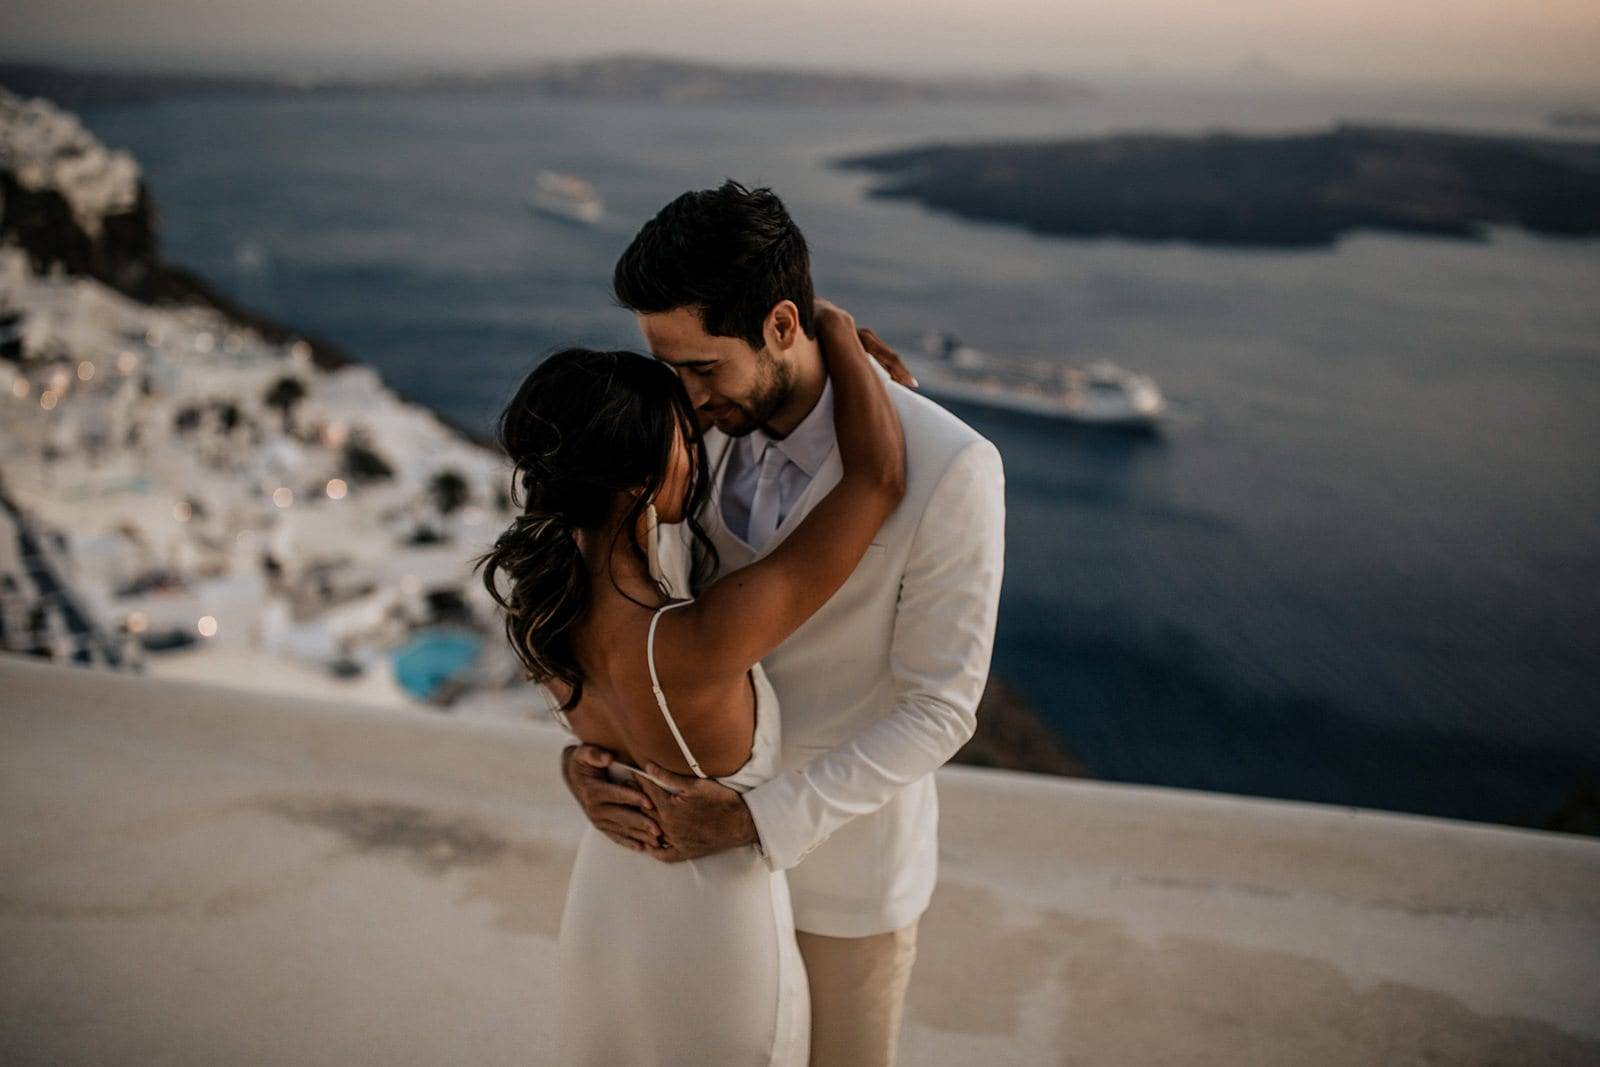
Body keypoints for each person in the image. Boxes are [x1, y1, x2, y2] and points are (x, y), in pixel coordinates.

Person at [563, 180, 1007, 1066]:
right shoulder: (687, 435)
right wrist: (591, 756)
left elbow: (942, 708)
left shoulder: (949, 466)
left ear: (779, 325)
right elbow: (628, 623)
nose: (682, 395)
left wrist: (760, 822)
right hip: (693, 877)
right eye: (668, 367)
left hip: (846, 881)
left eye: (701, 367)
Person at [474, 299, 906, 1064]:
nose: (696, 438)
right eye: (683, 430)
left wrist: (576, 769)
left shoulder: (545, 612)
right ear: (645, 470)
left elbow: (604, 738)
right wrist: (833, 332)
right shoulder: (695, 639)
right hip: (717, 937)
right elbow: (876, 481)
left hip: (609, 897)